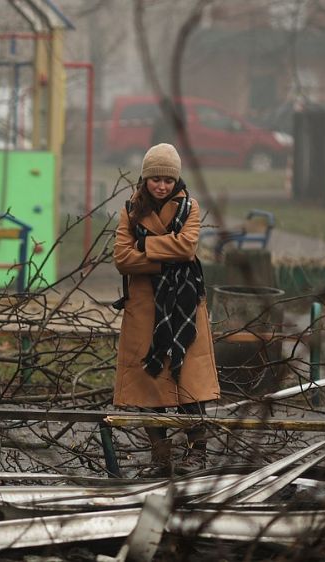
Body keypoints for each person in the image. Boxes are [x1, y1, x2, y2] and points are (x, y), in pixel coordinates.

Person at [113, 143, 219, 477]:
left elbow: (187, 248)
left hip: (183, 306)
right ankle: (160, 459)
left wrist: (144, 245)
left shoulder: (190, 207)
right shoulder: (130, 209)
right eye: (155, 179)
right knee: (150, 385)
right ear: (145, 178)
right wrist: (163, 263)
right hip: (146, 307)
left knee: (190, 382)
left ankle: (197, 455)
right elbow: (121, 259)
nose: (161, 186)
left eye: (168, 180)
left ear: (176, 180)